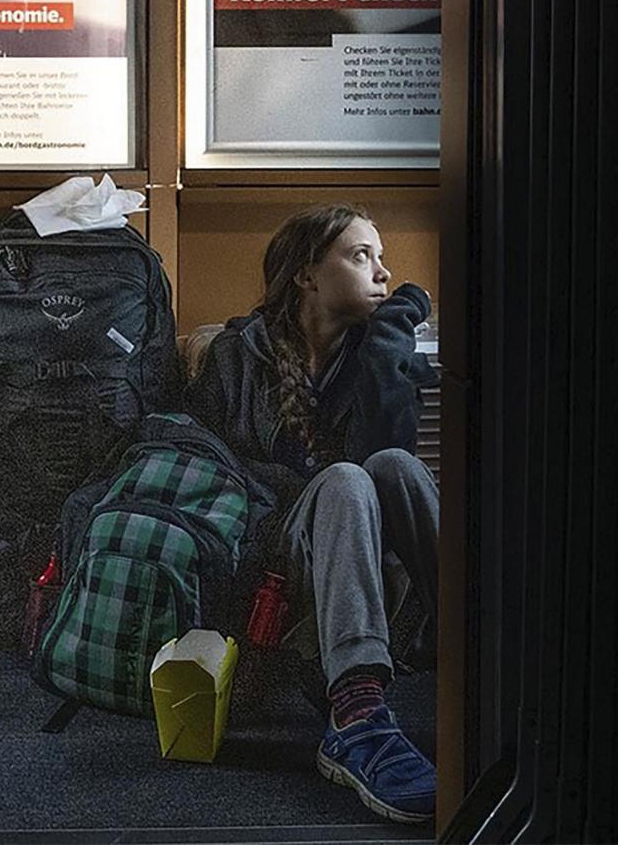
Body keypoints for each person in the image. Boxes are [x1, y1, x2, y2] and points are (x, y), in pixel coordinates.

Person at [185, 203, 440, 824]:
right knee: (347, 479)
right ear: (306, 274)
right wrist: (311, 488)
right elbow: (208, 473)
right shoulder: (234, 355)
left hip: (374, 575)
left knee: (393, 470)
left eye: (383, 258)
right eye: (361, 256)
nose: (383, 273)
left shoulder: (381, 351)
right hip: (273, 576)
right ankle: (355, 715)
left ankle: (495, 654)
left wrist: (385, 352)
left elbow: (388, 454)